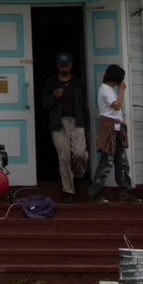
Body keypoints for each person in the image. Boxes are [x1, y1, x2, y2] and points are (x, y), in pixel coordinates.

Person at [42, 51, 92, 202]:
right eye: (61, 65)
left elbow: (84, 105)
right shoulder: (51, 82)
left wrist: (87, 127)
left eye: (67, 65)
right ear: (57, 65)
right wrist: (54, 97)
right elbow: (44, 103)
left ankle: (77, 176)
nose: (64, 68)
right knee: (64, 157)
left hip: (77, 122)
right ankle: (69, 191)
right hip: (59, 123)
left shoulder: (77, 82)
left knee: (80, 154)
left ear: (71, 66)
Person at [96, 62, 131, 197]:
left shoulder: (110, 90)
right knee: (106, 163)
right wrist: (121, 90)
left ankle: (125, 192)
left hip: (116, 128)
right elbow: (116, 105)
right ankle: (96, 192)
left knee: (122, 162)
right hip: (109, 129)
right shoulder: (105, 89)